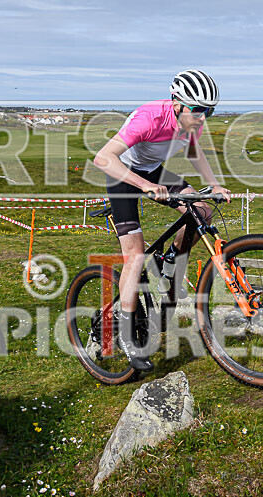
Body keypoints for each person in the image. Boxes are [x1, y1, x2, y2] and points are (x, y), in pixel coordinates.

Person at [93, 70, 231, 371]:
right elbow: (103, 158)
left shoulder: (192, 122)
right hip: (123, 176)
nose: (203, 117)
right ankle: (128, 334)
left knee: (202, 211)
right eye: (198, 109)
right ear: (177, 103)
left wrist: (214, 184)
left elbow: (195, 154)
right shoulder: (149, 118)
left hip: (153, 172)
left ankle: (171, 261)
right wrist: (143, 186)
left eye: (210, 110)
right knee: (136, 254)